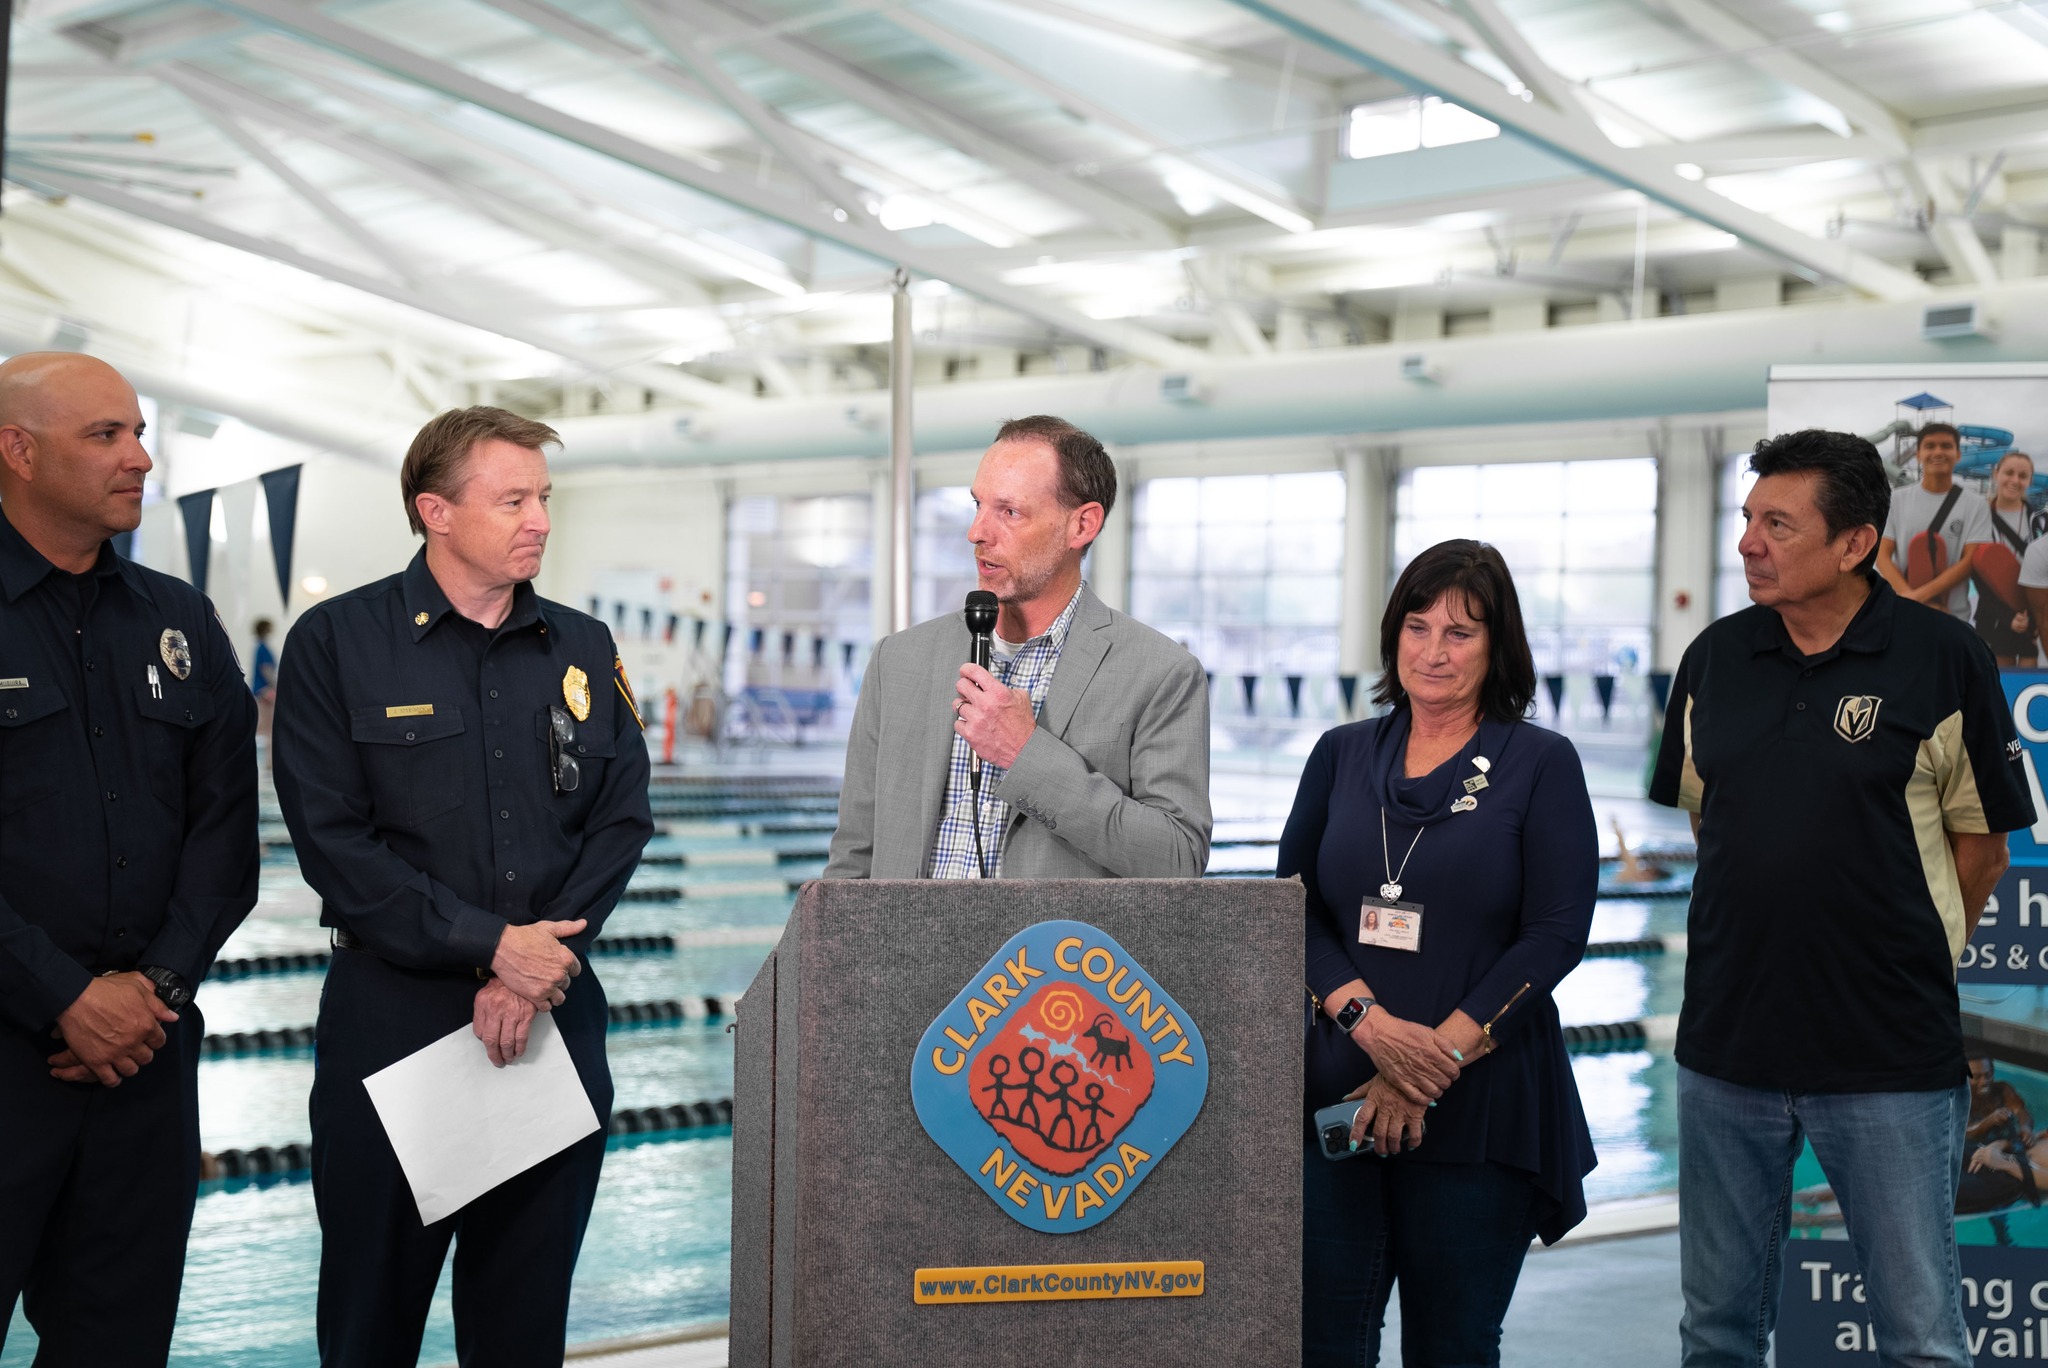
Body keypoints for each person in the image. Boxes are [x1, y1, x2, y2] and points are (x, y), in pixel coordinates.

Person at [272, 407, 653, 1367]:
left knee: (524, 1332)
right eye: (514, 498)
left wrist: (533, 965)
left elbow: (620, 821)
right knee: (370, 1325)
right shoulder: (336, 643)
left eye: (544, 498)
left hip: (552, 1020)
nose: (540, 520)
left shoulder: (580, 646)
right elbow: (335, 845)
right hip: (393, 1022)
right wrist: (494, 947)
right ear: (435, 510)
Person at [1651, 428, 2033, 1368]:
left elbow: (1980, 850)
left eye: (1777, 524)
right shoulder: (1713, 661)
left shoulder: (1942, 659)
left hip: (1887, 1060)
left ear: (1856, 542)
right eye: (1748, 520)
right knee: (1717, 1334)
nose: (1747, 543)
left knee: (1920, 1339)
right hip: (1726, 1055)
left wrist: (1893, 958)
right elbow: (1715, 826)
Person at [0, 353, 259, 1362]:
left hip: (144, 1071)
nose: (139, 458)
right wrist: (65, 995)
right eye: (105, 436)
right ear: (17, 452)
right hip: (9, 1052)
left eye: (139, 432)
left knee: (118, 1346)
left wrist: (150, 992)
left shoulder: (179, 621)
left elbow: (224, 838)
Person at [1283, 538, 1598, 1368]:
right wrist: (1370, 1024)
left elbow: (1558, 931)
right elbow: (1289, 906)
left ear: (1498, 646)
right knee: (1321, 1343)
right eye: (1417, 627)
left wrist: (1426, 1063)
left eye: (1460, 632)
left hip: (1479, 1107)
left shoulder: (1541, 764)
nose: (1433, 650)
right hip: (1338, 1095)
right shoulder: (1342, 753)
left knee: (1451, 1348)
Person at [824, 414, 1209, 880]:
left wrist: (1026, 753)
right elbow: (852, 861)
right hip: (905, 952)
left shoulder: (1160, 674)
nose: (977, 532)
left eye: (1009, 512)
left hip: (1050, 954)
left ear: (1082, 525)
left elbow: (1178, 859)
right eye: (977, 504)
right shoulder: (899, 661)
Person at [1876, 422, 1993, 622]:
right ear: (1918, 455)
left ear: (1958, 454)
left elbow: (1970, 560)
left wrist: (1918, 597)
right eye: (1930, 446)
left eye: (1946, 446)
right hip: (1905, 612)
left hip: (1952, 616)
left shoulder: (1976, 504)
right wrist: (1908, 597)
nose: (1938, 452)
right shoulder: (1896, 499)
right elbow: (1882, 554)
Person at [1975, 452, 2037, 664]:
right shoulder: (1979, 519)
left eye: (2022, 476)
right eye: (2009, 473)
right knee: (1997, 685)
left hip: (2031, 616)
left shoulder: (2040, 522)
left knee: (2030, 680)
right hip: (1993, 616)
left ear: (2030, 481)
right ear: (1996, 474)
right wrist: (2007, 616)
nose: (2015, 481)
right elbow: (1975, 574)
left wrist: (2038, 617)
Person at [251, 616, 279, 763]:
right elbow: (266, 670)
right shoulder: (263, 648)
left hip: (261, 690)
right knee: (269, 727)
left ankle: (270, 761)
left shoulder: (259, 647)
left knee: (266, 727)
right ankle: (270, 762)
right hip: (264, 691)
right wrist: (277, 687)